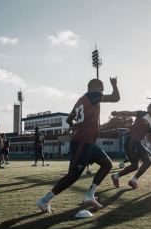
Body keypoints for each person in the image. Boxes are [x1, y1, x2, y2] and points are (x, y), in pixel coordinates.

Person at [36, 77, 120, 213]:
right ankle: (44, 200)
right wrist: (114, 84)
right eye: (101, 88)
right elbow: (116, 98)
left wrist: (76, 125)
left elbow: (69, 119)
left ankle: (89, 195)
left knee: (107, 164)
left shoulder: (80, 100)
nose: (102, 92)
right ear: (93, 86)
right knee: (73, 175)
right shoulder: (93, 96)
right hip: (82, 141)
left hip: (88, 142)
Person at [110, 103, 151, 189]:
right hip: (131, 141)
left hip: (138, 143)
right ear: (148, 109)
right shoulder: (143, 114)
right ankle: (116, 176)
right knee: (134, 166)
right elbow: (130, 113)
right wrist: (118, 112)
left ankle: (133, 181)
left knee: (148, 162)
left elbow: (150, 139)